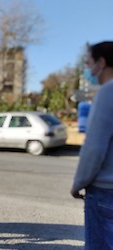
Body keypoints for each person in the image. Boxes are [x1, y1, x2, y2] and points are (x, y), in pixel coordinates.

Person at [71, 41, 113, 249]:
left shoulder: (107, 93)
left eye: (89, 63)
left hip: (106, 191)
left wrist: (78, 183)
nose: (88, 69)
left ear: (101, 63)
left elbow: (94, 148)